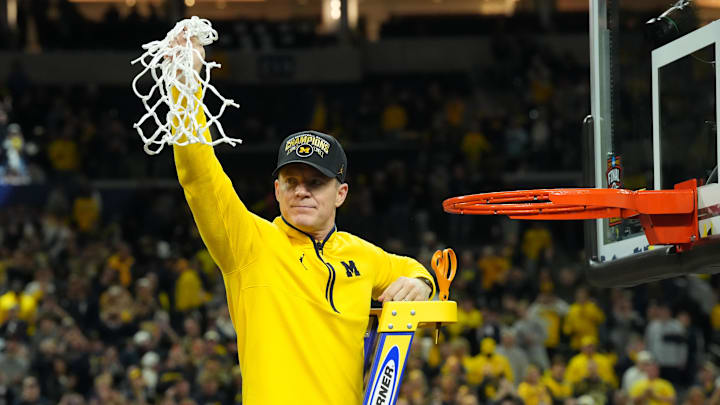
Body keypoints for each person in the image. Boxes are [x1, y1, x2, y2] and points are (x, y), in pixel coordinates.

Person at [169, 33, 435, 404]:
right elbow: (199, 175)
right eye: (291, 182)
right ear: (276, 190)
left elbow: (413, 269)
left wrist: (422, 283)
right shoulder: (249, 244)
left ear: (340, 194)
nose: (301, 191)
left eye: (316, 182)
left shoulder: (363, 255)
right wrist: (185, 88)